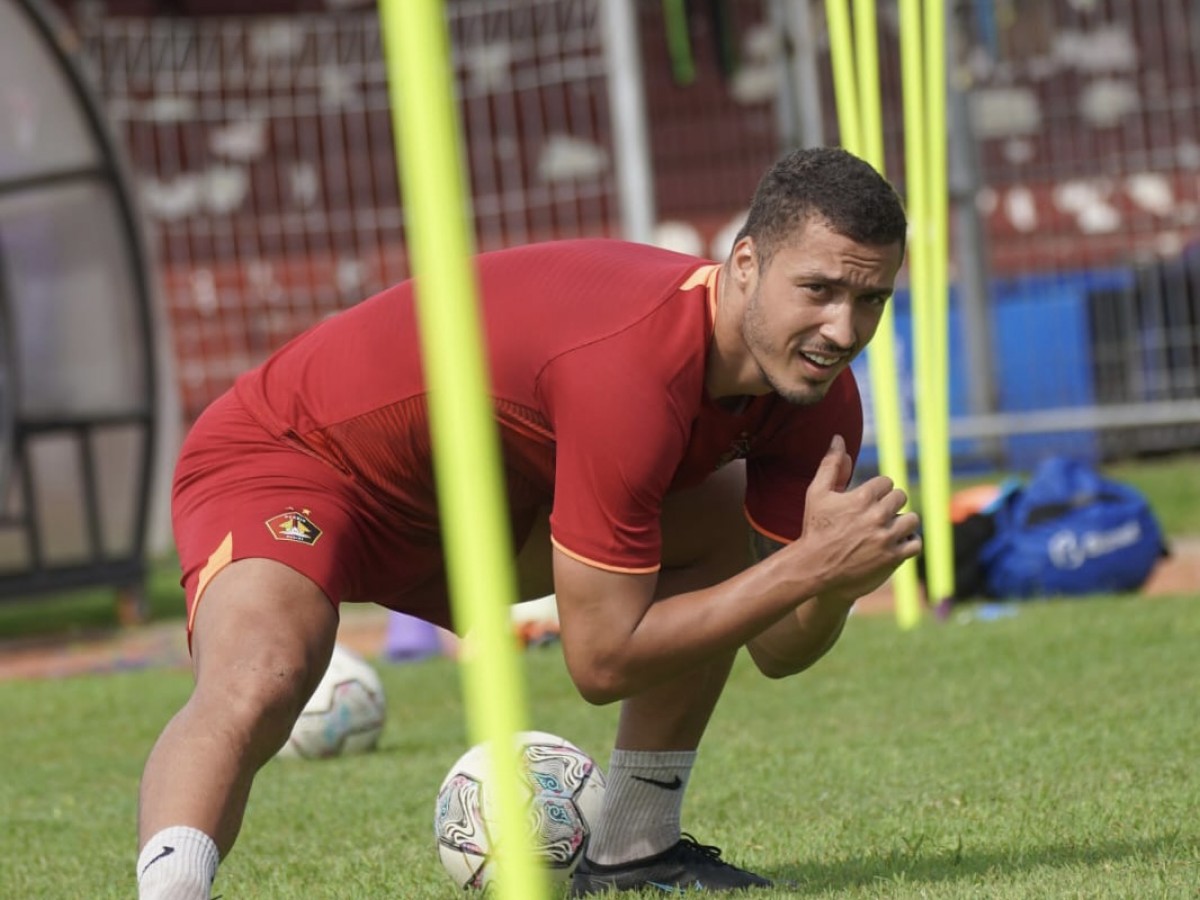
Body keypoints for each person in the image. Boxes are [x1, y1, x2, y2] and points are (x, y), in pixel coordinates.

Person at [136, 146, 921, 898]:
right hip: (297, 461)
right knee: (264, 674)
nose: (843, 330)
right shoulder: (634, 367)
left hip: (480, 507)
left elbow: (779, 649)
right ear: (745, 263)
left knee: (719, 514)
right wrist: (806, 567)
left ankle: (635, 849)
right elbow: (602, 661)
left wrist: (832, 582)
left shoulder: (816, 398)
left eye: (871, 300)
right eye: (818, 290)